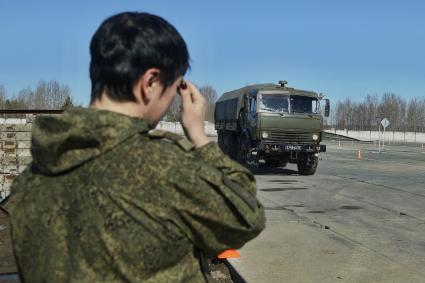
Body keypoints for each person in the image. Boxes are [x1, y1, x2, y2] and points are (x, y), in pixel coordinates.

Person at [3, 12, 265, 282]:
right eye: (174, 88)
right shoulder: (165, 168)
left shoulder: (30, 181)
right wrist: (198, 136)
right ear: (150, 83)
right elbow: (246, 217)